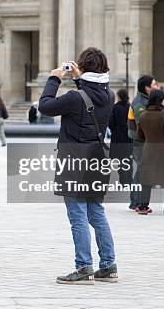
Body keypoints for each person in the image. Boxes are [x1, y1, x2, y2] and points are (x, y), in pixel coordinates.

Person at [38, 47, 117, 285]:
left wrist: (54, 78)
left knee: (78, 215)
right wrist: (78, 79)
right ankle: (108, 265)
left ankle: (83, 267)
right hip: (97, 159)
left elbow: (45, 106)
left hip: (74, 160)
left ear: (82, 67)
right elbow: (89, 97)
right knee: (96, 212)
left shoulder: (75, 97)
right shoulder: (110, 95)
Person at [136, 89, 164, 215]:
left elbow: (140, 136)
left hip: (148, 149)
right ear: (159, 101)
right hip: (163, 150)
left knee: (147, 178)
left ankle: (143, 206)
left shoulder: (143, 115)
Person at [127, 75, 159, 211]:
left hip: (143, 142)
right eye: (155, 84)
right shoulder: (141, 102)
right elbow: (144, 125)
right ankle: (137, 202)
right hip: (141, 142)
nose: (157, 86)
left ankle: (137, 201)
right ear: (147, 87)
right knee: (142, 171)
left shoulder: (146, 100)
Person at [108, 89, 132, 186]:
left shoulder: (114, 108)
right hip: (128, 136)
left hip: (118, 136)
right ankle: (129, 179)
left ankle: (123, 180)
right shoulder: (130, 107)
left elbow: (110, 123)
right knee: (128, 159)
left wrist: (114, 129)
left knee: (120, 160)